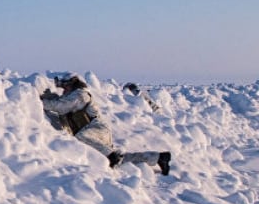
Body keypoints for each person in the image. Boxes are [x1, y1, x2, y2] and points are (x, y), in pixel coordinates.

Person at [40, 74, 172, 175]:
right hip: (94, 131)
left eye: (65, 86)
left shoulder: (80, 94)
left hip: (95, 128)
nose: (63, 90)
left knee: (82, 140)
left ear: (73, 84)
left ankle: (110, 155)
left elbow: (61, 107)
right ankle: (159, 157)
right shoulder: (74, 95)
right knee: (120, 159)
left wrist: (38, 101)